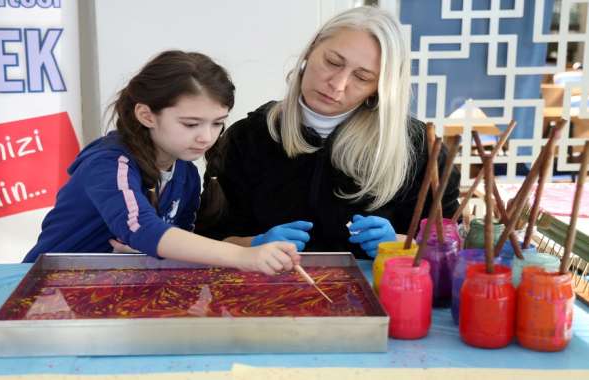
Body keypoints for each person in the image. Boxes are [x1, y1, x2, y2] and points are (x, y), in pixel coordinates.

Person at [197, 6, 460, 259]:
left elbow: (448, 245)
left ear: (379, 88)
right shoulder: (248, 137)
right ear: (311, 51)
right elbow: (206, 240)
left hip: (379, 297)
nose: (337, 84)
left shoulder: (416, 148)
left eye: (362, 77)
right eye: (333, 62)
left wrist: (403, 245)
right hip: (266, 298)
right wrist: (252, 245)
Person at [23, 50, 300, 276]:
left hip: (113, 285)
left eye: (217, 123)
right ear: (146, 115)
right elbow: (144, 229)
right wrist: (243, 255)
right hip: (48, 286)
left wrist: (253, 243)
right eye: (191, 124)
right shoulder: (110, 163)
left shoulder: (186, 174)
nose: (206, 137)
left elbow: (182, 243)